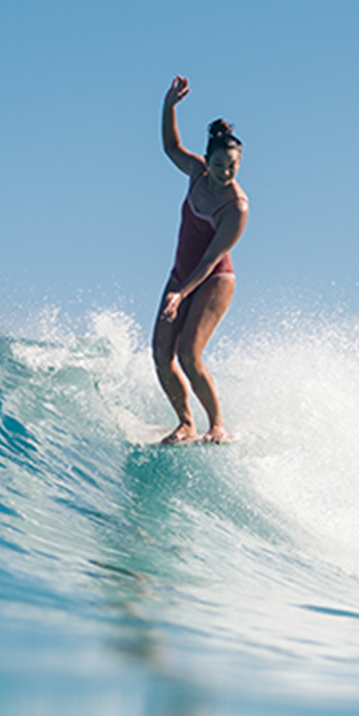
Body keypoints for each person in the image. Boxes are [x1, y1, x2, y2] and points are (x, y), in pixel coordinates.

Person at [152, 75, 249, 444]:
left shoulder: (236, 207)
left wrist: (180, 293)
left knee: (188, 355)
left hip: (213, 280)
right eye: (221, 165)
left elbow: (210, 260)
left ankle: (218, 424)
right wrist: (169, 106)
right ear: (208, 161)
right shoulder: (196, 173)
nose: (226, 172)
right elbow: (171, 146)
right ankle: (185, 423)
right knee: (162, 355)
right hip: (181, 276)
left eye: (233, 166)